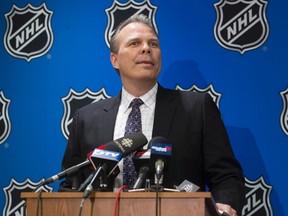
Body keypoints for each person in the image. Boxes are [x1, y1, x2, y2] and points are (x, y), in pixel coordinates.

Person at [59, 14, 245, 215]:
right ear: (115, 60)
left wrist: (225, 206)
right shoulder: (87, 118)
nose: (146, 48)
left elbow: (226, 175)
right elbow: (70, 185)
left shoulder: (196, 108)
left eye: (153, 44)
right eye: (134, 43)